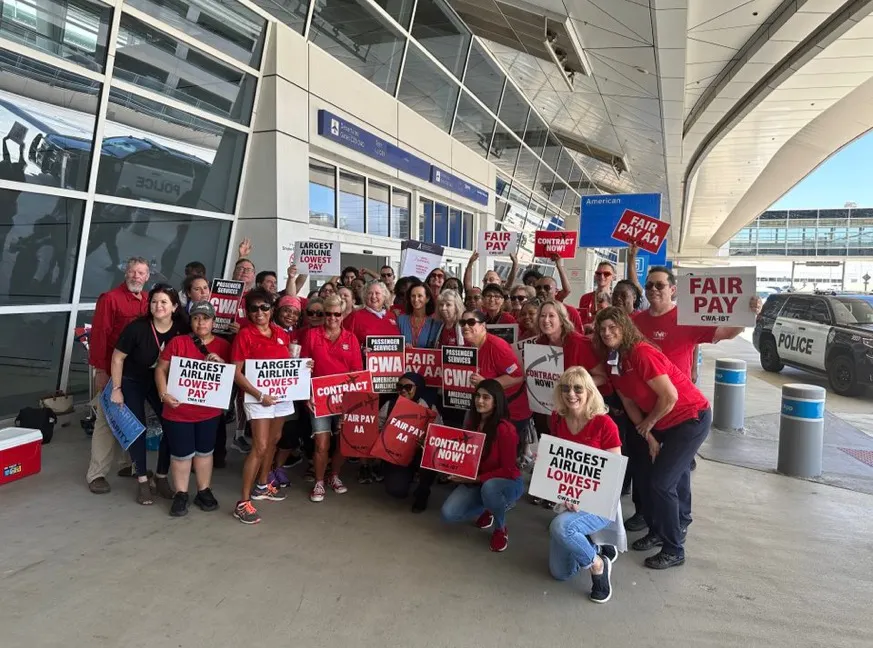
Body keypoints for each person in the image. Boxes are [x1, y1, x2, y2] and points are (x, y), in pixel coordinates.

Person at [593, 307, 712, 570]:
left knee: (662, 483)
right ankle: (658, 531)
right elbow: (629, 403)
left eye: (613, 327)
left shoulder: (641, 353)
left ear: (625, 327)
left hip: (690, 418)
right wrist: (648, 436)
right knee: (649, 478)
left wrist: (649, 424)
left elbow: (669, 397)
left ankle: (674, 548)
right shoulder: (615, 361)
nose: (607, 333)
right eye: (602, 329)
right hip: (662, 423)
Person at [547, 367, 623, 604]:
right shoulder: (557, 419)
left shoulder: (605, 424)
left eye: (578, 388)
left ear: (589, 391)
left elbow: (614, 476)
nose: (571, 394)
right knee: (561, 573)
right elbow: (559, 464)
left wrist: (583, 498)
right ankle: (593, 549)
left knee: (560, 528)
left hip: (599, 501)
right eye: (566, 388)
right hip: (567, 498)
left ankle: (598, 565)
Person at [109, 284, 187, 504]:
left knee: (171, 427)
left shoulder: (182, 326)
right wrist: (116, 389)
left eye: (164, 302)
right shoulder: (137, 328)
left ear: (174, 306)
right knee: (138, 430)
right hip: (134, 381)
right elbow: (117, 358)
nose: (158, 306)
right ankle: (143, 480)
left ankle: (161, 477)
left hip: (162, 382)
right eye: (154, 301)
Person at [154, 301, 229, 516]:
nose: (201, 322)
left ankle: (204, 490)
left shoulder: (223, 345)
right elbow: (161, 369)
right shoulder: (178, 342)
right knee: (181, 454)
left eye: (205, 318)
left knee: (205, 452)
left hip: (208, 412)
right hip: (178, 410)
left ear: (213, 321)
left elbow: (233, 375)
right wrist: (163, 393)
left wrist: (222, 363)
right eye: (196, 318)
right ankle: (181, 493)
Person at [86, 257, 151, 494]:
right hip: (112, 370)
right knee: (106, 421)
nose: (136, 276)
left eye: (141, 273)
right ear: (126, 273)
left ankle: (128, 464)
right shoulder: (110, 299)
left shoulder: (147, 301)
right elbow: (100, 336)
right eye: (133, 272)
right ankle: (97, 474)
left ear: (147, 277)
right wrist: (101, 371)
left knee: (131, 419)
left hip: (137, 374)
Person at [230, 289, 294, 525]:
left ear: (272, 309)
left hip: (281, 396)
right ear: (248, 312)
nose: (259, 312)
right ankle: (243, 502)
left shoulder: (281, 333)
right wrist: (259, 394)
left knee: (274, 439)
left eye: (264, 307)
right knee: (260, 446)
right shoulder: (244, 335)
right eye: (254, 308)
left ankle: (262, 485)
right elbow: (235, 373)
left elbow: (285, 367)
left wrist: (302, 365)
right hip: (257, 397)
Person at [440, 379, 524, 552]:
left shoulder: (505, 429)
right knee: (449, 513)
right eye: (477, 396)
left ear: (496, 402)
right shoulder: (472, 423)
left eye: (486, 397)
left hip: (506, 482)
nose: (480, 401)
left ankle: (501, 528)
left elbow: (508, 470)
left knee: (490, 488)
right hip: (479, 480)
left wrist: (474, 479)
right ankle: (491, 507)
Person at [298, 295, 360, 502]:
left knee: (343, 441)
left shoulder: (351, 338)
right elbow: (303, 368)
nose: (332, 318)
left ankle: (334, 476)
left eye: (337, 314)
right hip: (319, 398)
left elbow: (357, 372)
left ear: (343, 316)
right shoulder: (311, 336)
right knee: (322, 444)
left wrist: (352, 404)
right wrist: (307, 394)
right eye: (328, 314)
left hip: (344, 399)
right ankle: (319, 481)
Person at [343, 280, 400, 483]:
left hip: (389, 380)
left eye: (378, 293)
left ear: (385, 296)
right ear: (364, 295)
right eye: (370, 293)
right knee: (366, 420)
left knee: (382, 420)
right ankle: (364, 465)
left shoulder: (392, 317)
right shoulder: (356, 317)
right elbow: (345, 341)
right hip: (366, 377)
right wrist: (360, 350)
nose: (374, 297)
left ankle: (377, 462)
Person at [461, 310, 531, 439]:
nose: (465, 326)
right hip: (485, 409)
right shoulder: (467, 345)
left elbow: (518, 376)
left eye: (471, 322)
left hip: (511, 412)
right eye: (462, 322)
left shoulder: (497, 346)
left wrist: (486, 384)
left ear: (483, 326)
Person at [379, 372, 442, 511]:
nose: (403, 390)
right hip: (397, 454)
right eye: (399, 386)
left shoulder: (429, 408)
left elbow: (440, 435)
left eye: (408, 387)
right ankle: (405, 476)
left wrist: (426, 440)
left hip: (420, 455)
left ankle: (423, 491)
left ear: (418, 388)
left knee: (432, 455)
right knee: (396, 491)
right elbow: (376, 427)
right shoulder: (390, 405)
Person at [397, 280, 441, 348]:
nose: (416, 299)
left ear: (427, 298)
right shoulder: (400, 320)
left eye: (420, 296)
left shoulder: (435, 323)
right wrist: (402, 346)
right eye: (413, 296)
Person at [578, 260, 616, 332]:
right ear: (595, 276)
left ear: (613, 277)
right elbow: (581, 322)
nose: (602, 276)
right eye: (598, 273)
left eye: (606, 274)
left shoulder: (615, 299)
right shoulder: (585, 298)